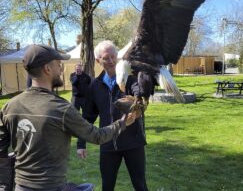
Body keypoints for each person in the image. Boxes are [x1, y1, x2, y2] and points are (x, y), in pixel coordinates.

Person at [0, 44, 137, 191]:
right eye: (59, 65)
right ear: (47, 69)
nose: (61, 69)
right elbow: (97, 136)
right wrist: (123, 122)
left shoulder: (9, 107)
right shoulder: (61, 109)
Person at [77, 41, 148, 191]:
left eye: (113, 56)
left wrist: (139, 97)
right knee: (107, 186)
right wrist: (81, 144)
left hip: (133, 143)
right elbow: (88, 117)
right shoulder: (94, 86)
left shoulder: (129, 78)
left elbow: (138, 90)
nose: (111, 61)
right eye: (106, 58)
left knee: (140, 185)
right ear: (98, 61)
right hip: (108, 144)